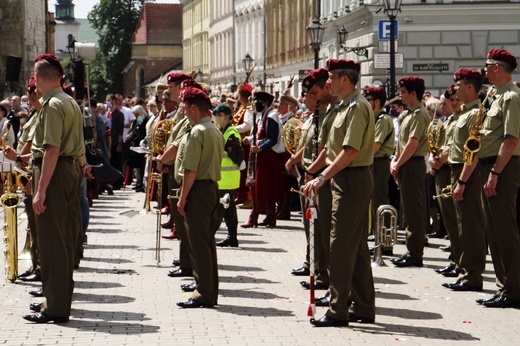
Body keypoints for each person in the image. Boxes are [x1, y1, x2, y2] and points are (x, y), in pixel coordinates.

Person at [303, 58, 375, 327]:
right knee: (354, 247)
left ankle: (337, 309)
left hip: (352, 179)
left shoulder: (356, 107)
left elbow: (350, 151)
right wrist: (314, 170)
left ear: (346, 80)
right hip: (345, 178)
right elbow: (331, 148)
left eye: (332, 77)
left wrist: (322, 177)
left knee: (340, 247)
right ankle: (364, 305)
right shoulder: (344, 106)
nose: (328, 82)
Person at [22, 54, 84, 324]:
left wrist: (40, 190)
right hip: (67, 171)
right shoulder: (68, 101)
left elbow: (51, 149)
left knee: (51, 242)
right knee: (63, 239)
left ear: (38, 79)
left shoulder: (52, 105)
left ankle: (55, 306)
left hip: (54, 173)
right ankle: (54, 298)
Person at [436, 68, 487, 292]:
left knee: (470, 225)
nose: (454, 89)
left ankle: (473, 274)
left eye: (458, 85)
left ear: (469, 87)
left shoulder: (476, 113)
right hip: (456, 169)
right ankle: (465, 270)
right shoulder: (464, 114)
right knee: (461, 225)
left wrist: (463, 180)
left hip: (467, 172)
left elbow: (473, 152)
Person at [477, 49, 520, 308]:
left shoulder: (512, 97)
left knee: (504, 230)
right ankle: (504, 285)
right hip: (490, 165)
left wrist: (495, 173)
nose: (484, 69)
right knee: (493, 230)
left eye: (488, 65)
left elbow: (511, 139)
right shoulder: (496, 95)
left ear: (497, 67)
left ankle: (514, 289)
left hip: (502, 167)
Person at [175, 86, 224, 308]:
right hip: (210, 188)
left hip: (198, 190)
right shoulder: (214, 129)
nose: (184, 112)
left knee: (198, 244)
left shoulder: (196, 132)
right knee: (206, 242)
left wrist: (182, 198)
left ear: (194, 108)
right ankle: (207, 289)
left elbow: (190, 170)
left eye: (185, 108)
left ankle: (203, 292)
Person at [390, 76, 430, 268]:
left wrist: (397, 164)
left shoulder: (419, 114)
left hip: (412, 164)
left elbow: (412, 145)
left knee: (413, 210)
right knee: (408, 208)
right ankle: (411, 250)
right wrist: (396, 161)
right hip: (406, 163)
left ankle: (415, 253)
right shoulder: (410, 113)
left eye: (404, 92)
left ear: (413, 94)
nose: (401, 95)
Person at [428, 84, 464, 280]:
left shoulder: (458, 119)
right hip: (443, 169)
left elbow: (450, 148)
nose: (445, 105)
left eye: (449, 102)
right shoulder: (447, 121)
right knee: (449, 220)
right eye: (445, 102)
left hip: (449, 168)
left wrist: (436, 163)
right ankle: (455, 259)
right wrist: (433, 158)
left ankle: (461, 262)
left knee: (456, 220)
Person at [241, 91, 285, 228]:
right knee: (266, 188)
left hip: (269, 157)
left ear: (266, 103)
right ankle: (270, 217)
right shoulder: (260, 116)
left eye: (258, 101)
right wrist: (249, 140)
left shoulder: (271, 116)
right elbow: (257, 134)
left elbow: (272, 138)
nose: (255, 104)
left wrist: (260, 147)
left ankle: (253, 216)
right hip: (262, 157)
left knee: (260, 188)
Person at [363, 86, 394, 243]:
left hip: (379, 163)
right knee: (372, 200)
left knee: (379, 200)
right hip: (372, 162)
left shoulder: (383, 120)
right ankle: (376, 233)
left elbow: (375, 146)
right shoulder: (373, 119)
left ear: (376, 102)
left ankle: (384, 239)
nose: (366, 103)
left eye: (368, 100)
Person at [213, 104, 243, 247]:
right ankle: (232, 237)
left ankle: (210, 234)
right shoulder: (222, 131)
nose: (217, 117)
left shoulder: (231, 133)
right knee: (229, 210)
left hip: (227, 178)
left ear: (227, 117)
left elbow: (237, 155)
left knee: (220, 209)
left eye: (220, 115)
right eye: (216, 115)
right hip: (224, 178)